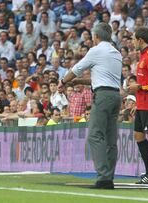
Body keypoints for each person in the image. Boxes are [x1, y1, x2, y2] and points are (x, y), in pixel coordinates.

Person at [58, 22, 122, 189]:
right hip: (115, 95)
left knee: (95, 135)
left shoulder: (96, 50)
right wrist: (79, 81)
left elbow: (77, 68)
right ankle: (109, 176)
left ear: (96, 37)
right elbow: (102, 77)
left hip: (102, 97)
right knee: (110, 138)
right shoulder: (116, 52)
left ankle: (103, 177)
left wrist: (64, 81)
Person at [127, 27, 148, 184]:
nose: (132, 41)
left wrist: (139, 87)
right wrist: (138, 103)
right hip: (143, 104)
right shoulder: (143, 56)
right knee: (138, 135)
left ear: (140, 40)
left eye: (134, 39)